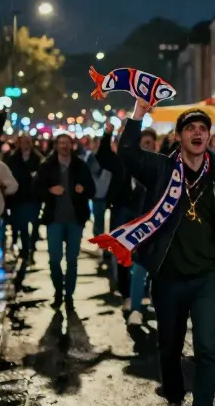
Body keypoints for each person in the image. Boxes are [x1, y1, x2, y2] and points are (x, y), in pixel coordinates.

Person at [119, 103, 215, 406]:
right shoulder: (161, 169)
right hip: (169, 277)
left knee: (207, 348)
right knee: (170, 346)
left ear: (209, 136)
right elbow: (127, 152)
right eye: (190, 128)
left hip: (208, 278)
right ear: (178, 136)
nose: (197, 133)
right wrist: (138, 113)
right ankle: (175, 398)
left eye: (202, 129)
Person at [95, 126, 150, 324]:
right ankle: (127, 294)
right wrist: (107, 135)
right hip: (121, 209)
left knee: (144, 253)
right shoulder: (118, 160)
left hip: (142, 211)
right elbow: (102, 156)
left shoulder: (146, 161)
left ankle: (142, 292)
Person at [35, 134, 95, 308]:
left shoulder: (80, 165)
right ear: (56, 145)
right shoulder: (47, 165)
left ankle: (69, 295)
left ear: (71, 145)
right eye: (61, 143)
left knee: (72, 260)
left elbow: (92, 189)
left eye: (67, 143)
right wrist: (50, 191)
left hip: (75, 220)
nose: (64, 146)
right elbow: (36, 189)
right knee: (54, 259)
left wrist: (83, 189)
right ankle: (58, 291)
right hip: (54, 219)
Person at [5, 135, 43, 265]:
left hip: (34, 197)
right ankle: (25, 251)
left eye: (28, 142)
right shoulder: (12, 158)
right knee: (22, 225)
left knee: (35, 225)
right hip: (18, 197)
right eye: (23, 142)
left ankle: (31, 248)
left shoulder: (38, 158)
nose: (25, 144)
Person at [87, 136, 114, 272]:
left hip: (107, 194)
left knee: (104, 223)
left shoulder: (110, 157)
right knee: (99, 221)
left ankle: (105, 249)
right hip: (98, 194)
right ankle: (103, 248)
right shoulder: (92, 158)